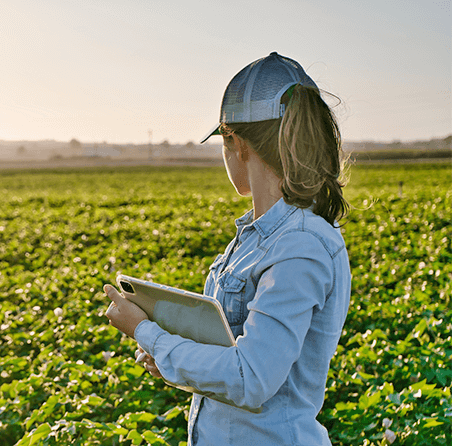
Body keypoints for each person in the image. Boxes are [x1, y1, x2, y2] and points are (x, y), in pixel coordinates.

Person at [104, 52, 351, 446]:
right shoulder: (256, 236)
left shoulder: (300, 245)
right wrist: (172, 360)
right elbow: (230, 360)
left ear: (236, 142)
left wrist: (146, 332)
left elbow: (250, 378)